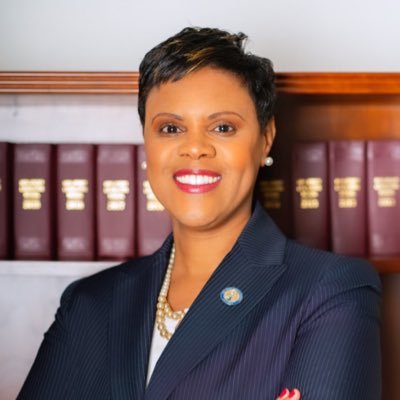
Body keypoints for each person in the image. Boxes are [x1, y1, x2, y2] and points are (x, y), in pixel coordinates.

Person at [17, 27, 381, 400]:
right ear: (147, 141)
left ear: (265, 138)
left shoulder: (329, 292)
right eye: (171, 128)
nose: (194, 148)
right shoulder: (90, 302)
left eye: (222, 127)